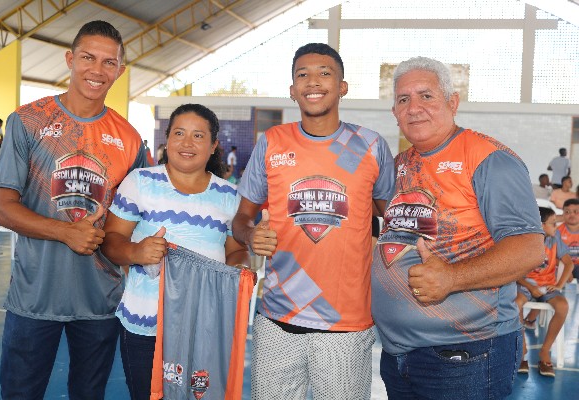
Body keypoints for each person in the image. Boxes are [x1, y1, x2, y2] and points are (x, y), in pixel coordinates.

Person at [0, 20, 148, 399]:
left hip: (100, 302)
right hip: (34, 299)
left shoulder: (129, 139)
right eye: (87, 58)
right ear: (69, 59)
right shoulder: (26, 121)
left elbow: (134, 222)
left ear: (120, 71)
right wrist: (66, 231)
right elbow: (2, 207)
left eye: (109, 62)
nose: (97, 70)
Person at [371, 56, 544, 399]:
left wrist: (452, 277)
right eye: (403, 99)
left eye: (426, 96)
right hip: (398, 355)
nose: (414, 107)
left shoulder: (489, 159)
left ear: (452, 102)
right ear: (394, 112)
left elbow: (529, 248)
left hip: (465, 356)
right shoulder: (402, 164)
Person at [233, 42, 395, 399]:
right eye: (302, 74)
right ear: (292, 90)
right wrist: (249, 236)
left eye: (325, 73)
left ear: (342, 86)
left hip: (347, 321)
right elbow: (242, 217)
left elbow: (394, 217)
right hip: (279, 317)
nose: (313, 81)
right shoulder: (272, 142)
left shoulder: (369, 146)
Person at [101, 103, 249, 400]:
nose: (187, 142)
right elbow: (110, 240)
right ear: (166, 140)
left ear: (213, 146)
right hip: (145, 325)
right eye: (179, 133)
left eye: (198, 136)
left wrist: (232, 276)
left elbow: (236, 253)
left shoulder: (230, 196)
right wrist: (136, 252)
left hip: (204, 325)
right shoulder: (140, 182)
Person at [515, 207, 573, 377]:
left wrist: (559, 284)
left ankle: (545, 352)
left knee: (562, 306)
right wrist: (531, 287)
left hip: (548, 286)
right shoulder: (524, 242)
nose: (556, 226)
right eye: (553, 223)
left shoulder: (555, 240)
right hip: (526, 285)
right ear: (541, 225)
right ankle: (522, 348)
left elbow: (568, 263)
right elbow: (515, 272)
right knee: (516, 303)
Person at [557, 198, 579, 281]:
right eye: (567, 212)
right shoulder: (556, 232)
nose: (572, 215)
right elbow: (552, 256)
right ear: (563, 214)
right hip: (561, 265)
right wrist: (566, 269)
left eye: (576, 212)